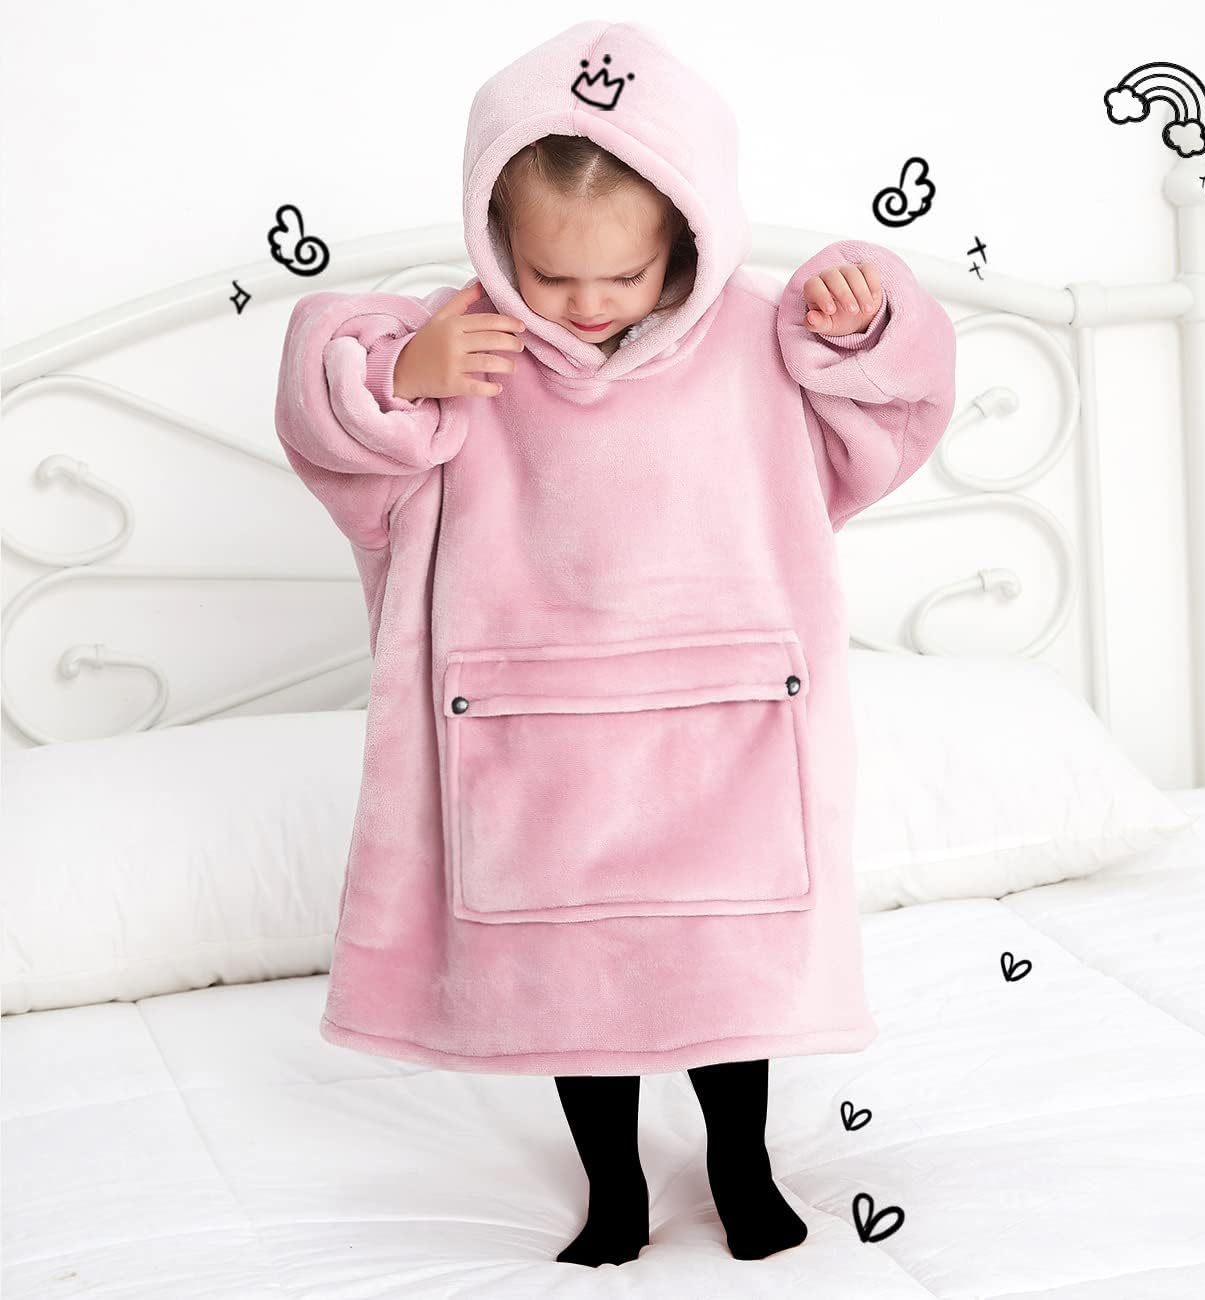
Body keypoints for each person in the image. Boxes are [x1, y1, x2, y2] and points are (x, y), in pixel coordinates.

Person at [274, 19, 957, 1268]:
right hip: (536, 732)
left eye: (623, 275)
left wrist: (860, 320)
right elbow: (341, 423)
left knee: (723, 969)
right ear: (496, 240)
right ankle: (613, 1188)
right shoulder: (466, 342)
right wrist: (408, 372)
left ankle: (742, 1164)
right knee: (570, 977)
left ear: (690, 238)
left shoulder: (759, 340)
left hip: (725, 729)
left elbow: (886, 417)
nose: (585, 306)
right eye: (549, 275)